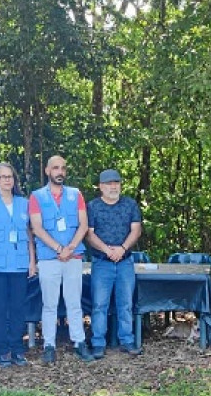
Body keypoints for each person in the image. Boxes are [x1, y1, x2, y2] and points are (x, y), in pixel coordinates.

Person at [29, 155, 91, 364]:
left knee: (74, 302)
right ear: (47, 171)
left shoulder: (76, 194)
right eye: (55, 168)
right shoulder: (36, 196)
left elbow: (83, 225)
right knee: (49, 304)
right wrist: (58, 248)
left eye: (63, 168)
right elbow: (36, 228)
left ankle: (79, 342)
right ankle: (49, 345)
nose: (60, 172)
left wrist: (70, 248)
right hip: (49, 258)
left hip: (73, 256)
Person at [0, 162, 36, 367]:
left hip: (19, 265)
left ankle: (17, 349)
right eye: (2, 177)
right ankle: (2, 350)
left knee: (18, 308)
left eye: (10, 176)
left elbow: (29, 234)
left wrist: (32, 261)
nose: (7, 180)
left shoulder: (24, 203)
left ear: (14, 180)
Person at [85, 169, 143, 358]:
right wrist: (107, 250)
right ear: (101, 187)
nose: (113, 186)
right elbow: (89, 234)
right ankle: (98, 343)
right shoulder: (92, 206)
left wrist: (122, 249)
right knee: (99, 305)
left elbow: (136, 229)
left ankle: (127, 340)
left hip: (125, 262)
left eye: (116, 182)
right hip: (102, 262)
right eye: (109, 183)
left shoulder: (130, 204)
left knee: (125, 304)